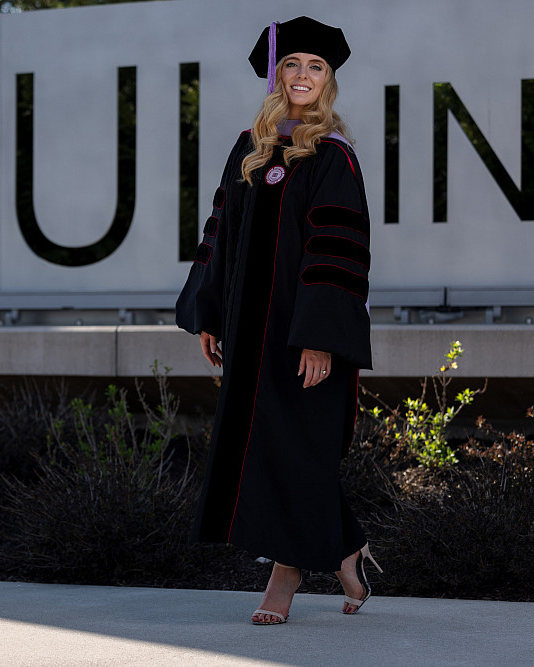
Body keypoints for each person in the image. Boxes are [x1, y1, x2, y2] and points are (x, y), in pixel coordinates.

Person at [175, 16, 381, 626]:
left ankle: (284, 574)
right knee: (270, 444)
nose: (302, 76)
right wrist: (210, 312)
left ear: (328, 81)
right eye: (292, 64)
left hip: (302, 333)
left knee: (298, 447)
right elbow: (222, 234)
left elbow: (339, 252)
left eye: (316, 67)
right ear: (276, 75)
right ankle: (349, 555)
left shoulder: (332, 155)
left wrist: (320, 338)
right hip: (248, 330)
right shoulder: (251, 148)